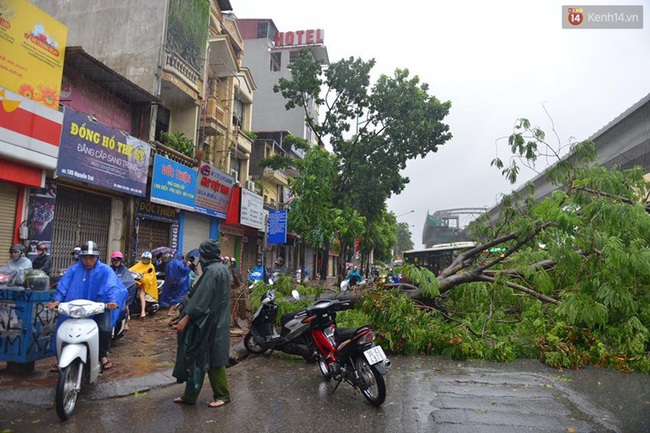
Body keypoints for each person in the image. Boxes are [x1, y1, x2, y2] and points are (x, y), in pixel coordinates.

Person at [48, 241, 126, 371]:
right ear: (80, 257)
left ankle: (102, 355)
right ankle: (61, 357)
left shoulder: (105, 270)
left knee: (104, 329)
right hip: (75, 309)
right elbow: (63, 286)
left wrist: (111, 302)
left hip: (99, 308)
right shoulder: (73, 270)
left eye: (91, 257)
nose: (88, 261)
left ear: (97, 257)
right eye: (85, 257)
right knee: (62, 327)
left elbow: (112, 287)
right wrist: (57, 300)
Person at [172, 239, 232, 408]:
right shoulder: (222, 269)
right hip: (217, 320)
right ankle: (190, 396)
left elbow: (201, 299)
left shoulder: (213, 271)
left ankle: (222, 395)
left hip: (209, 323)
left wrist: (186, 318)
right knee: (202, 359)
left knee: (210, 360)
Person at [159, 251, 191, 316]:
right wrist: (188, 265)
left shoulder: (169, 263)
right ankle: (171, 311)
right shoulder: (179, 263)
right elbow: (185, 271)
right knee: (178, 298)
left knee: (171, 297)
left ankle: (170, 310)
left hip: (170, 283)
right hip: (178, 283)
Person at [109, 251, 136, 325]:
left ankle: (125, 323)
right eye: (114, 260)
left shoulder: (124, 270)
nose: (116, 261)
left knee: (125, 308)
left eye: (118, 259)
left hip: (122, 295)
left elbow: (130, 282)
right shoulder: (109, 269)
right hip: (110, 294)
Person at [129, 251, 158, 318]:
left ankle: (143, 312)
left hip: (146, 285)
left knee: (141, 295)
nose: (145, 260)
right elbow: (132, 269)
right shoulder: (140, 264)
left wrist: (142, 278)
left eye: (147, 259)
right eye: (144, 259)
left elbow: (149, 277)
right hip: (137, 283)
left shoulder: (151, 267)